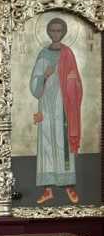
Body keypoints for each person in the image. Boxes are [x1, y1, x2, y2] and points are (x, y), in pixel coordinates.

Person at [30, 17, 83, 205]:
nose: (55, 34)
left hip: (63, 104)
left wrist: (70, 81)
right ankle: (48, 189)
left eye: (59, 30)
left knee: (63, 143)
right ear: (48, 32)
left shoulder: (68, 54)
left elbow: (76, 81)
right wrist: (44, 76)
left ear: (64, 32)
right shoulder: (43, 54)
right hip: (46, 104)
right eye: (52, 30)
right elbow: (34, 86)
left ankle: (68, 185)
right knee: (46, 144)